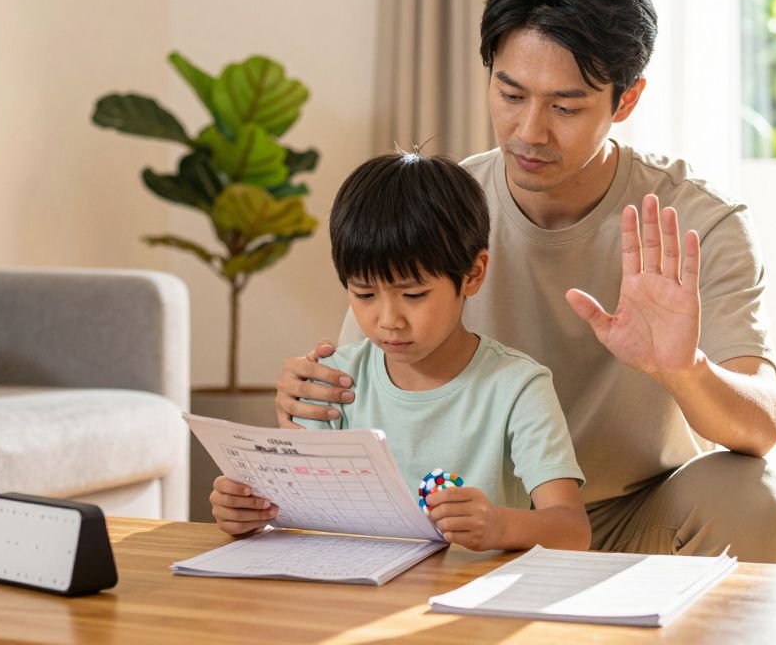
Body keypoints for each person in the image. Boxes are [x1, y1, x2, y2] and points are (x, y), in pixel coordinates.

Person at [218, 0, 776, 564]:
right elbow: (360, 382)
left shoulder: (700, 221)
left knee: (753, 497)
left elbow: (759, 428)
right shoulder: (443, 206)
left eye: (566, 106)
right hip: (473, 517)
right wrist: (305, 401)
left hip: (638, 516)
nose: (529, 131)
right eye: (510, 92)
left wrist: (683, 369)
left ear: (626, 100)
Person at [212, 152, 591, 552]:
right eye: (364, 294)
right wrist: (247, 511)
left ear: (473, 274)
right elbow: (295, 510)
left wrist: (500, 526)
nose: (388, 320)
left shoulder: (517, 387)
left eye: (413, 294)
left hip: (467, 598)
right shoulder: (333, 382)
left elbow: (573, 530)